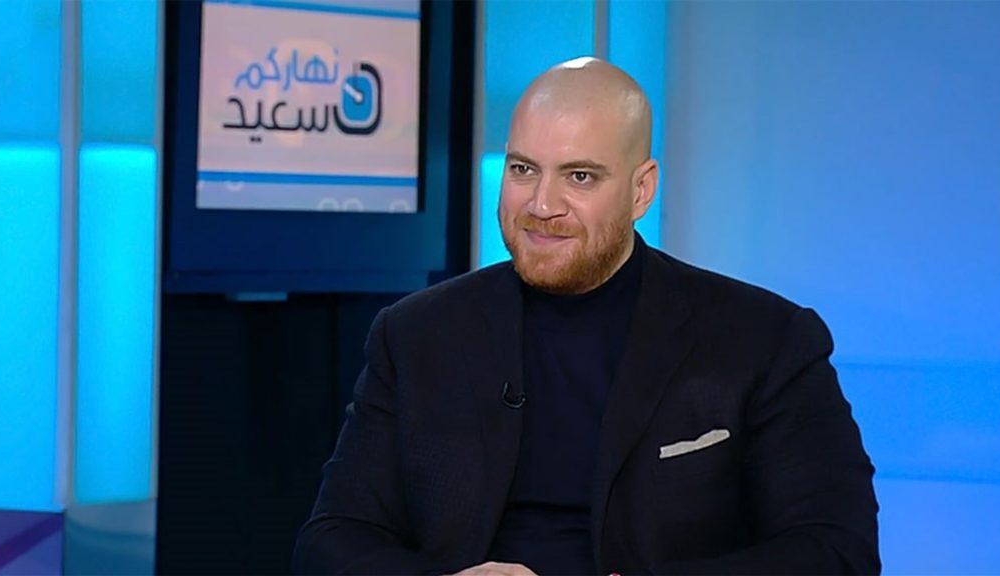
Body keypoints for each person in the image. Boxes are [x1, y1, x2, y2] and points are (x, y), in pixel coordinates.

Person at [293, 58, 880, 575]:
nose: (542, 205)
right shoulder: (417, 333)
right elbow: (333, 537)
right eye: (523, 170)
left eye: (579, 176)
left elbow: (836, 550)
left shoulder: (765, 340)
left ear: (641, 190)